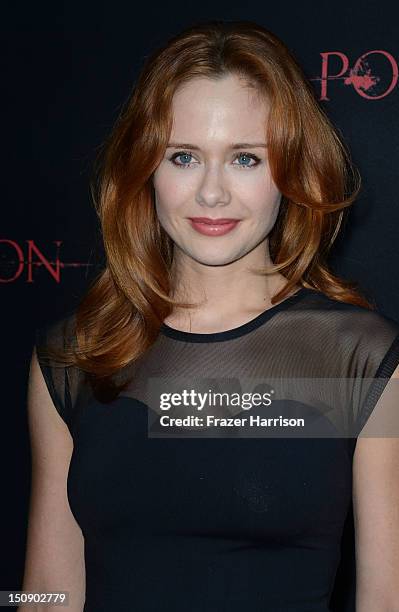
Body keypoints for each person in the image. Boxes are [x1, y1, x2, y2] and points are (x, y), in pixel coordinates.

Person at [21, 19, 399, 612]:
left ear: (292, 169)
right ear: (145, 168)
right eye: (184, 157)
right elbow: (46, 592)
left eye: (246, 159)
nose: (213, 193)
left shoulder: (358, 359)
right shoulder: (75, 355)